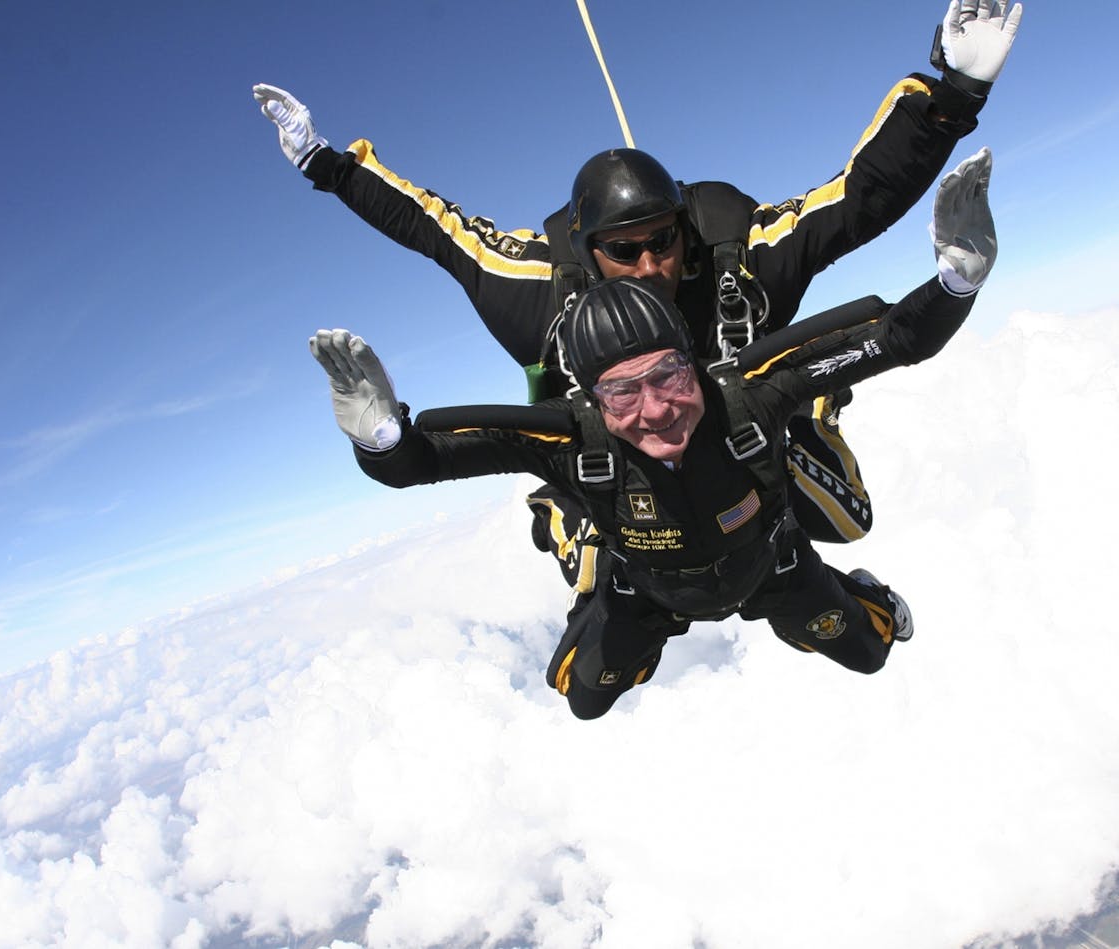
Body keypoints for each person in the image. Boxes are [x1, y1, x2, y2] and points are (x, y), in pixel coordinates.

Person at [256, 1, 1023, 560]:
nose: (652, 264)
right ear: (589, 255)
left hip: (748, 423)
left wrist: (954, 94)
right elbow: (436, 229)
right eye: (625, 252)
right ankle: (568, 512)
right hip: (614, 456)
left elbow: (853, 202)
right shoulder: (535, 293)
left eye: (663, 241)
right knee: (598, 562)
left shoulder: (738, 261)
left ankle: (805, 417)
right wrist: (326, 164)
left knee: (844, 519)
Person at [309, 147, 998, 719]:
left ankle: (849, 588)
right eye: (622, 391)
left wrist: (956, 281)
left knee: (871, 653)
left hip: (772, 564)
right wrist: (380, 436)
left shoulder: (750, 400)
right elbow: (423, 461)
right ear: (593, 401)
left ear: (695, 361)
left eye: (671, 374)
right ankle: (567, 520)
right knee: (580, 696)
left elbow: (894, 339)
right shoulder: (576, 442)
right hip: (648, 589)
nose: (657, 409)